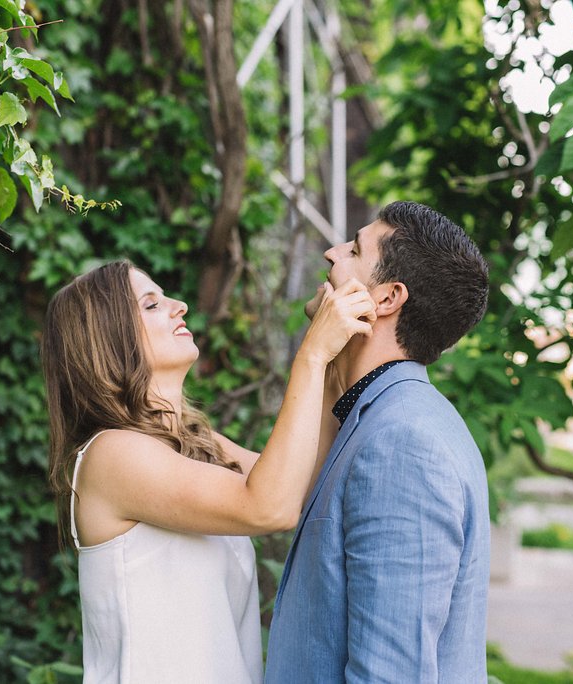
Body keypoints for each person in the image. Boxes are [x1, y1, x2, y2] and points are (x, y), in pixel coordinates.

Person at [40, 259, 375, 683]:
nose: (179, 305)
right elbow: (269, 508)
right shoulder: (112, 455)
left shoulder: (199, 443)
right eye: (151, 304)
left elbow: (308, 481)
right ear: (108, 341)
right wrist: (311, 354)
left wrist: (334, 357)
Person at [265, 201, 492, 682]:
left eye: (352, 249)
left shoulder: (404, 445)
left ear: (386, 299)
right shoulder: (384, 417)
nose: (330, 253)